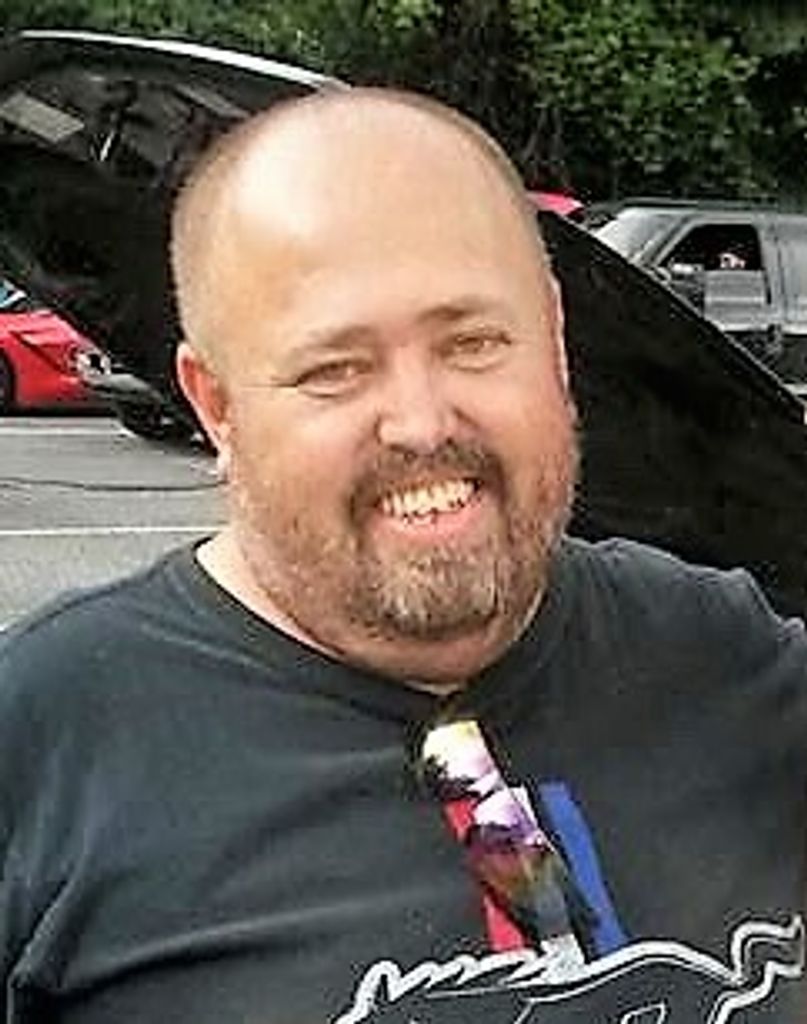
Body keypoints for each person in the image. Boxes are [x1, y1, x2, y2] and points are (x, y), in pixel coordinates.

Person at [1, 88, 805, 1024]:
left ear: (553, 342)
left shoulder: (733, 659)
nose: (421, 424)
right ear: (216, 405)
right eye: (334, 369)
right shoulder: (44, 747)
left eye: (472, 342)